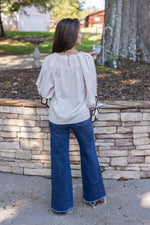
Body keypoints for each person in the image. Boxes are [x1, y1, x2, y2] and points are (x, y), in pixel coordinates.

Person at [36, 18, 106, 214]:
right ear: (70, 35)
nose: (81, 35)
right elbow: (91, 92)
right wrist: (91, 106)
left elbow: (45, 92)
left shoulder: (50, 61)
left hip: (57, 118)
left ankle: (61, 206)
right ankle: (94, 197)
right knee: (89, 154)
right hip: (81, 117)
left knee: (59, 160)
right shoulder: (85, 59)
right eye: (78, 32)